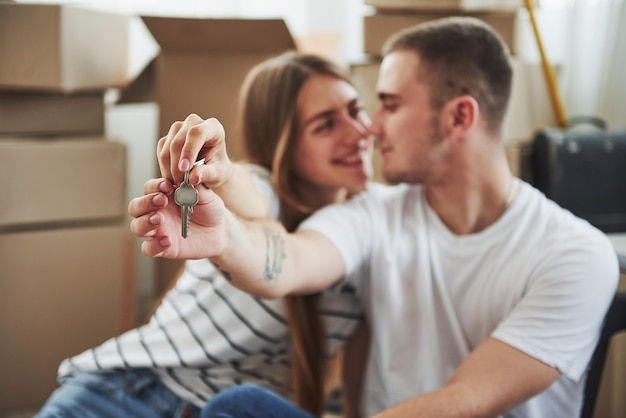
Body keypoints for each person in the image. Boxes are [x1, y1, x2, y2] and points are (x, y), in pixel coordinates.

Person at [132, 17, 620, 418]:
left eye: (387, 104)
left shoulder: (577, 253)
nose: (371, 127)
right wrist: (227, 239)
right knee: (239, 407)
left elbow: (468, 400)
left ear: (459, 117)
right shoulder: (374, 212)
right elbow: (290, 261)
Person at [35, 51, 373, 418]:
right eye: (325, 125)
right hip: (129, 395)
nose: (357, 133)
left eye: (356, 110)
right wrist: (223, 174)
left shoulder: (367, 227)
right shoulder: (261, 193)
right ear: (283, 143)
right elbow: (252, 200)